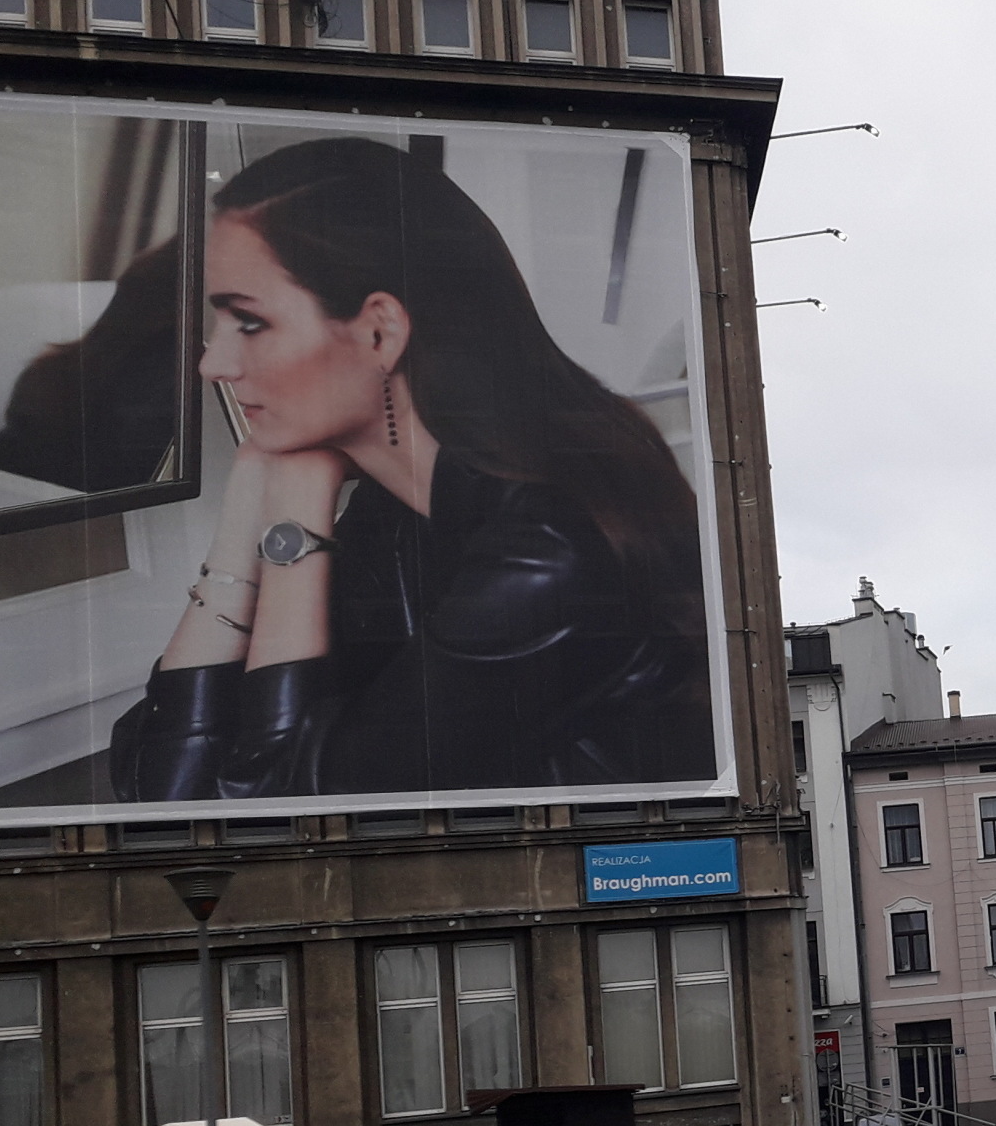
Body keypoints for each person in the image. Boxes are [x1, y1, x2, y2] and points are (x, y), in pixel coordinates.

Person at [111, 136, 713, 801]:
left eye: (248, 323)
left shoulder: (547, 553)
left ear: (379, 332)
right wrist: (253, 515)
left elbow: (276, 821)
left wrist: (291, 521)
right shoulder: (399, 510)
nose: (212, 365)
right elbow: (161, 789)